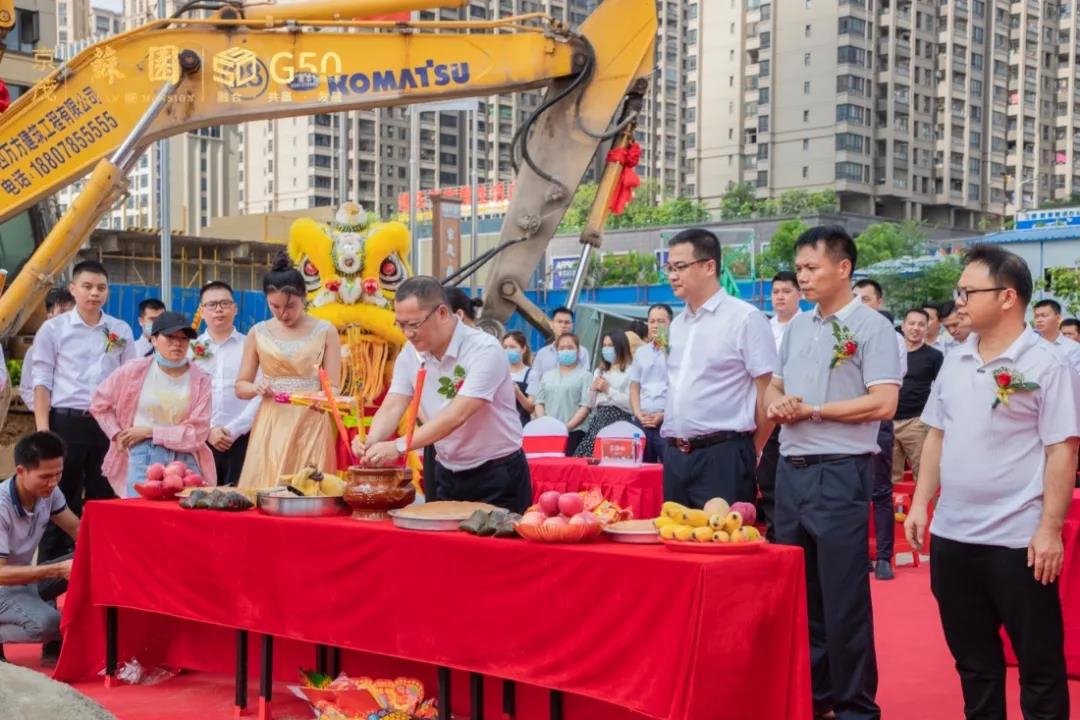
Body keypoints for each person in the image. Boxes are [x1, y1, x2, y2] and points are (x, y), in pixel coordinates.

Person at [905, 245, 1079, 720]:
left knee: (1039, 666)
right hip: (953, 537)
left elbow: (1061, 448)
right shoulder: (956, 360)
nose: (958, 301)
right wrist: (922, 503)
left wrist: (1049, 528)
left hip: (1016, 540)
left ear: (1007, 297)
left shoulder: (1047, 364)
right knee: (974, 664)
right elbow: (937, 434)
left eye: (968, 291)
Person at [766, 225, 901, 720]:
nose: (802, 277)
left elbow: (885, 402)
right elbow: (773, 388)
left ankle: (856, 708)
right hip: (791, 472)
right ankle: (815, 698)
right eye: (798, 268)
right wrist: (776, 403)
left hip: (840, 470)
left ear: (843, 268)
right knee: (803, 599)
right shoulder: (797, 327)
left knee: (843, 600)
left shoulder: (872, 327)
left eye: (811, 268)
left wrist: (816, 411)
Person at [354, 276, 531, 512]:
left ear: (442, 313)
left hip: (496, 473)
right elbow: (394, 404)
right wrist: (372, 441)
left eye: (414, 324)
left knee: (496, 547)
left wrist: (397, 446)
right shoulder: (411, 353)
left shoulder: (484, 349)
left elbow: (456, 416)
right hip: (445, 470)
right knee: (443, 547)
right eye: (401, 324)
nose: (407, 333)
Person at [662, 228, 776, 507]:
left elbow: (769, 392)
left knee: (721, 544)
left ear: (709, 266)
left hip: (723, 455)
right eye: (668, 268)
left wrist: (751, 449)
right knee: (675, 543)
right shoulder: (676, 325)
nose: (672, 275)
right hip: (675, 454)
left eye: (680, 267)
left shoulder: (744, 318)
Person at [31, 260, 136, 561]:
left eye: (101, 288)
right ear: (73, 289)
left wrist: (125, 430)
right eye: (87, 287)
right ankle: (49, 580)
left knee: (104, 500)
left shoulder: (120, 329)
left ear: (108, 293)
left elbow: (129, 383)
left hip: (107, 427)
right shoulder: (53, 329)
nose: (94, 293)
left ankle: (99, 568)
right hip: (65, 424)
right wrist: (43, 431)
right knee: (59, 500)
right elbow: (41, 382)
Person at [236, 253, 340, 489]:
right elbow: (241, 386)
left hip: (312, 418)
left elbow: (334, 386)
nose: (283, 314)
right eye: (275, 307)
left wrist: (324, 397)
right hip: (272, 420)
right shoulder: (257, 332)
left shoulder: (326, 331)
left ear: (304, 297)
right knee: (266, 486)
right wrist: (256, 387)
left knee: (311, 487)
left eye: (290, 306)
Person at [90, 312, 215, 497]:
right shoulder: (133, 371)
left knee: (183, 522)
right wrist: (117, 434)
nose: (177, 343)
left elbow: (197, 433)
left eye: (184, 338)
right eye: (170, 337)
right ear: (154, 339)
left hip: (186, 459)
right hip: (142, 455)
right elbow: (99, 404)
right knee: (141, 519)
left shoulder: (201, 379)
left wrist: (150, 431)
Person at [0, 432, 80, 667]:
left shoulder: (49, 492)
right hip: (4, 582)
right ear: (21, 471)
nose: (53, 482)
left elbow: (77, 528)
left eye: (58, 474)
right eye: (45, 476)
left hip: (23, 579)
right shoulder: (1, 506)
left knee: (92, 559)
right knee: (50, 625)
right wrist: (56, 570)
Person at [853, 276, 908, 580]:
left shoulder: (892, 338)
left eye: (866, 298)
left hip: (878, 417)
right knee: (853, 490)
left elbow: (891, 379)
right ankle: (859, 555)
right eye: (855, 297)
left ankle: (884, 556)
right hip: (844, 419)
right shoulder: (842, 332)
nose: (860, 304)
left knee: (880, 489)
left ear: (879, 302)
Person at [191, 282, 260, 487]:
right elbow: (184, 395)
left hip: (241, 438)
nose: (219, 309)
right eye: (212, 305)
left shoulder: (250, 345)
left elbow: (259, 392)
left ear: (235, 308)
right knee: (199, 502)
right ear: (202, 311)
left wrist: (234, 430)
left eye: (224, 303)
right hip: (200, 439)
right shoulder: (190, 349)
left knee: (239, 502)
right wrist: (208, 430)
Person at [756, 271, 800, 540]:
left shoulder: (807, 326)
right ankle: (775, 535)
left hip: (798, 412)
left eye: (786, 291)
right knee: (769, 478)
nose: (780, 296)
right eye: (776, 292)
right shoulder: (764, 327)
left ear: (799, 294)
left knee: (795, 480)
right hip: (768, 412)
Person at [892, 309, 943, 484]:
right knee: (889, 477)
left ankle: (927, 511)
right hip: (887, 420)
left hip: (916, 422)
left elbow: (942, 389)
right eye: (911, 323)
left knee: (923, 474)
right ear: (903, 326)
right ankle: (895, 512)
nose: (916, 328)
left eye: (921, 324)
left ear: (927, 328)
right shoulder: (891, 353)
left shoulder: (934, 356)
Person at [574, 331, 635, 457]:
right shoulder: (600, 371)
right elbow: (590, 404)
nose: (607, 349)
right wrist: (592, 389)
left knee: (613, 458)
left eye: (611, 345)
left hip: (620, 420)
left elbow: (631, 404)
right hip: (599, 420)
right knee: (587, 457)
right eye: (604, 345)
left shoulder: (631, 371)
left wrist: (608, 390)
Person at [534, 333, 593, 455]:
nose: (566, 351)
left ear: (578, 351)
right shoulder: (547, 376)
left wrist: (567, 427)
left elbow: (585, 406)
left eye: (570, 347)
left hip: (574, 432)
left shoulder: (586, 376)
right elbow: (539, 402)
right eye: (562, 348)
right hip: (547, 432)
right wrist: (544, 423)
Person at [629, 303, 673, 464]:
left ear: (670, 323)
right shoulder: (641, 352)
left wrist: (664, 415)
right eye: (652, 321)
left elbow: (681, 387)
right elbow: (635, 385)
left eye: (660, 321)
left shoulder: (677, 351)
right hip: (643, 419)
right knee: (642, 468)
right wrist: (638, 413)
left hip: (668, 419)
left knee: (670, 468)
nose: (655, 326)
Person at [19, 289, 75, 412]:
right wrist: (44, 411)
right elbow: (26, 388)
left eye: (73, 312)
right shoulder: (35, 350)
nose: (69, 317)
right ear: (50, 316)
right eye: (63, 312)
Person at [525, 307, 590, 398]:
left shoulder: (582, 352)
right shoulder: (542, 353)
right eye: (559, 322)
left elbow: (585, 382)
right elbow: (535, 382)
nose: (563, 325)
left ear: (572, 325)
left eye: (567, 322)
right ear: (551, 324)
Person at [1033, 298, 1080, 374]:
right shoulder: (1031, 345)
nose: (1039, 320)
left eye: (1044, 316)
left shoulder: (1073, 348)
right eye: (1036, 316)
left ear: (1058, 318)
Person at [502, 331, 535, 426]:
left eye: (512, 347)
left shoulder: (531, 374)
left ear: (523, 349)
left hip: (520, 425)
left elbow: (531, 408)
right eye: (505, 347)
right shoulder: (499, 371)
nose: (508, 351)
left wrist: (517, 392)